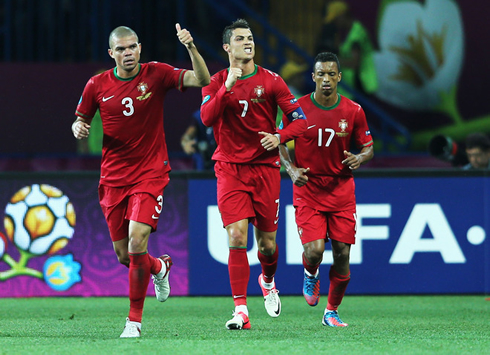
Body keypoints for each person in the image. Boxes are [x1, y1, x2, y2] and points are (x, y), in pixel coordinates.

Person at [72, 24, 210, 338]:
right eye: (121, 49)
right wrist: (78, 128)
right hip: (113, 179)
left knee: (136, 241)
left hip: (150, 173)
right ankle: (159, 267)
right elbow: (80, 119)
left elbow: (201, 80)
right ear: (111, 54)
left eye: (132, 46)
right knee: (126, 255)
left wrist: (190, 47)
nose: (128, 53)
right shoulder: (96, 85)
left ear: (140, 48)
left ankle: (133, 322)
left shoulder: (157, 74)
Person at [200, 18, 307, 330]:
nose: (248, 43)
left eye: (250, 38)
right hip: (230, 168)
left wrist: (280, 137)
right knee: (236, 237)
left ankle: (268, 280)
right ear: (226, 47)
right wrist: (227, 87)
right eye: (240, 39)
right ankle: (240, 311)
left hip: (265, 169)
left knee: (267, 247)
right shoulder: (216, 80)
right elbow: (207, 117)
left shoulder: (272, 81)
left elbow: (300, 120)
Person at [279, 52, 374, 327]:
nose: (326, 79)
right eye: (321, 74)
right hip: (308, 187)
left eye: (332, 74)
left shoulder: (353, 110)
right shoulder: (297, 109)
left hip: (341, 189)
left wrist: (360, 157)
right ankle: (311, 274)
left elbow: (368, 147)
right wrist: (291, 169)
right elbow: (281, 141)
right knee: (315, 251)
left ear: (339, 77)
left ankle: (331, 311)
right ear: (313, 77)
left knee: (343, 254)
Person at [318, 1, 378, 100]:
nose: (334, 23)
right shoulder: (349, 32)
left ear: (342, 15)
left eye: (335, 19)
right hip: (354, 86)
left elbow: (354, 63)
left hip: (362, 84)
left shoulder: (356, 34)